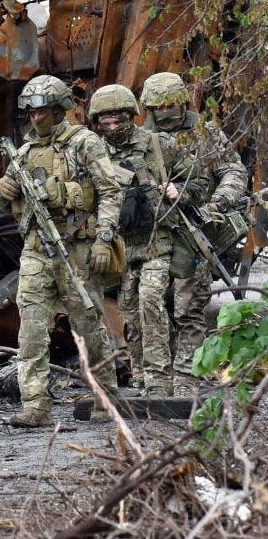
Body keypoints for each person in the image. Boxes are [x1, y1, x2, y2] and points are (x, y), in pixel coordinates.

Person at [0, 75, 121, 428]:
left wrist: (103, 239)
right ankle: (35, 405)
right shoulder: (23, 152)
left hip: (77, 247)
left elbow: (110, 192)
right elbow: (8, 205)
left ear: (60, 109)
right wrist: (3, 190)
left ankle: (105, 396)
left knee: (87, 325)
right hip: (36, 249)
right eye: (31, 111)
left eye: (43, 110)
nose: (36, 117)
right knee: (31, 327)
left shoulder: (84, 144)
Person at [88, 84, 206, 397]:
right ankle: (140, 374)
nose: (113, 128)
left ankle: (158, 378)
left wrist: (180, 191)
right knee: (129, 313)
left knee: (150, 300)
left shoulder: (158, 144)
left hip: (159, 240)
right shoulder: (95, 152)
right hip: (124, 247)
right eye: (106, 123)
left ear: (132, 115)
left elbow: (200, 178)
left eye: (119, 121)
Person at [140, 72, 248, 395]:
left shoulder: (203, 133)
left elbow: (233, 170)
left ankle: (188, 378)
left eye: (171, 105)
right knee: (149, 303)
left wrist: (218, 203)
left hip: (196, 228)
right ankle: (153, 378)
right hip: (156, 232)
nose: (165, 112)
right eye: (158, 107)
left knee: (189, 307)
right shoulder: (141, 138)